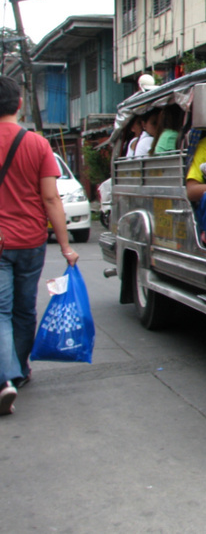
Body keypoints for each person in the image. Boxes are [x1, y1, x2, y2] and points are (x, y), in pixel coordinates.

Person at [0, 76, 79, 416]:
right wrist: (65, 246)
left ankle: (6, 378)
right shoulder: (37, 144)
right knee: (24, 309)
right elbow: (51, 198)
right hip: (32, 240)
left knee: (0, 312)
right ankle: (20, 371)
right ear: (19, 104)